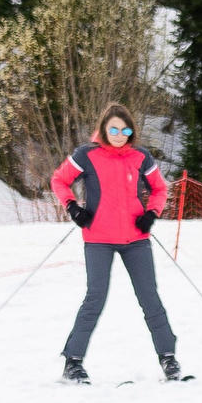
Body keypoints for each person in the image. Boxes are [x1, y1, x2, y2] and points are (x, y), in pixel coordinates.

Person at [48, 103, 179, 384]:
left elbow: (159, 188)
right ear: (104, 129)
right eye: (114, 129)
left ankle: (168, 358)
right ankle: (73, 362)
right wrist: (72, 207)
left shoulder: (141, 157)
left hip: (136, 239)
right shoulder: (87, 154)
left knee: (150, 298)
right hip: (99, 239)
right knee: (95, 298)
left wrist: (152, 213)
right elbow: (59, 180)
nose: (120, 134)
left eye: (125, 129)